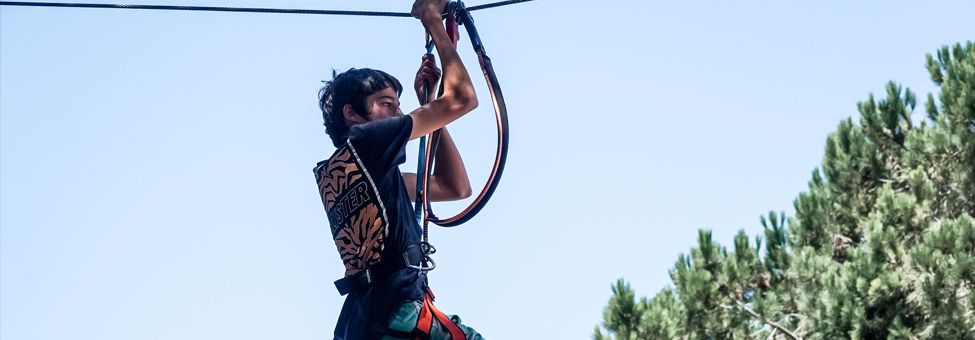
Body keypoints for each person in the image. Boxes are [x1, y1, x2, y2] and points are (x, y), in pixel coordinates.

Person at [313, 0, 482, 338]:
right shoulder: (367, 140)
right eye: (386, 104)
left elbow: (454, 187)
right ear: (352, 115)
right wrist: (433, 19)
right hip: (396, 312)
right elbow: (463, 98)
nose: (397, 114)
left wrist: (430, 111)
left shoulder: (357, 171)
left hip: (366, 321)